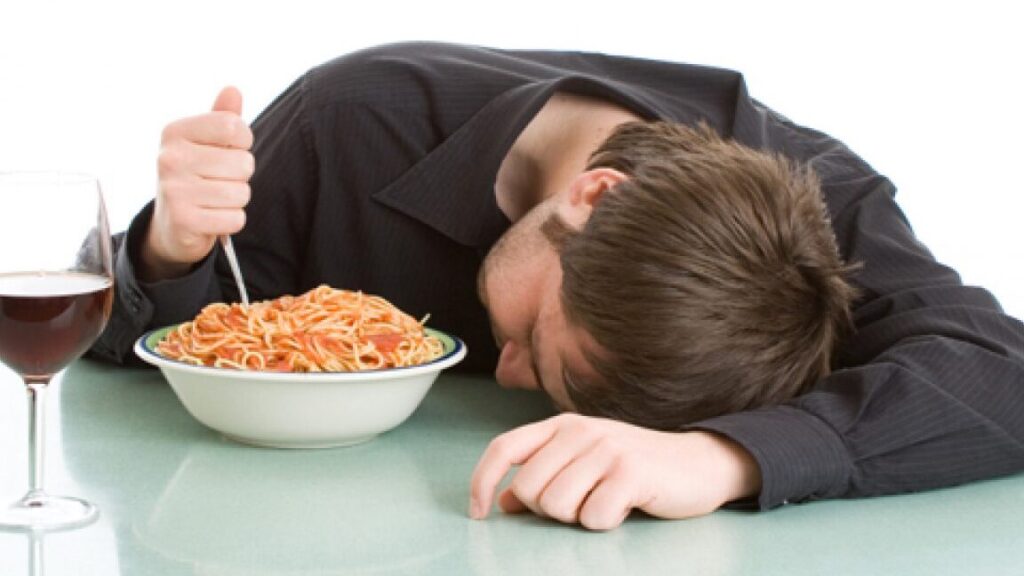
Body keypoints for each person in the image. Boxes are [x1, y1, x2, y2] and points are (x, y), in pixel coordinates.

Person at [91, 42, 1024, 531]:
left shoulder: (824, 218)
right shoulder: (350, 122)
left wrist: (721, 459)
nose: (509, 377)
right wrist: (173, 248)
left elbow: (1003, 375)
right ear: (592, 196)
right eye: (539, 339)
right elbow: (125, 338)